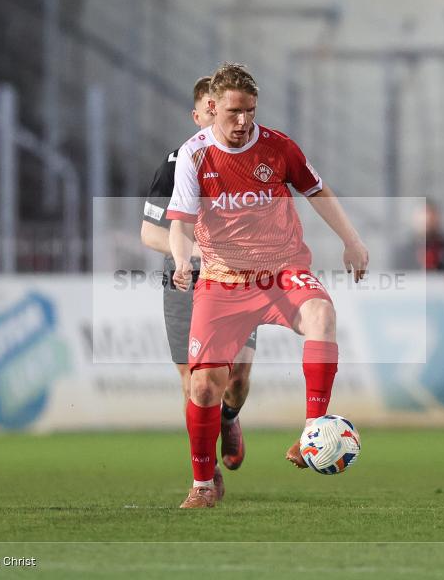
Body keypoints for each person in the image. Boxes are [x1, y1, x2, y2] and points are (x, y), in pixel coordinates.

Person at [167, 62, 369, 509]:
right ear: (213, 107)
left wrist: (351, 240)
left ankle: (314, 431)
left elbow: (317, 191)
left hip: (281, 271)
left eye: (251, 112)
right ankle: (202, 484)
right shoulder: (193, 155)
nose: (243, 123)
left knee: (322, 313)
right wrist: (183, 261)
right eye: (234, 112)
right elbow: (179, 223)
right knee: (205, 388)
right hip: (222, 282)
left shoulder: (278, 147)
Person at [140, 76, 255, 501]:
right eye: (210, 108)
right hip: (185, 284)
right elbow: (150, 233)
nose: (218, 115)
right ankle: (205, 475)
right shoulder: (176, 163)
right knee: (194, 384)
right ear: (199, 114)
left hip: (237, 284)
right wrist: (194, 257)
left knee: (238, 377)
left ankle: (228, 418)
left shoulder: (247, 160)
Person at [391, 201, 444, 272]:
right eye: (423, 217)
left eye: (430, 217)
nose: (427, 221)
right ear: (414, 219)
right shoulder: (404, 253)